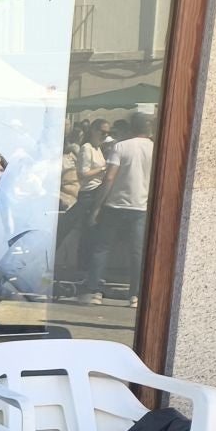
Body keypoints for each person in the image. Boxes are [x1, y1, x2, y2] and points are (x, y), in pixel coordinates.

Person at [85, 112, 154, 305]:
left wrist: (97, 207)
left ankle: (96, 292)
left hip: (114, 204)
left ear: (131, 128)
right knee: (137, 251)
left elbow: (109, 178)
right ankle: (135, 295)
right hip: (140, 206)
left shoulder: (120, 147)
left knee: (103, 248)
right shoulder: (155, 148)